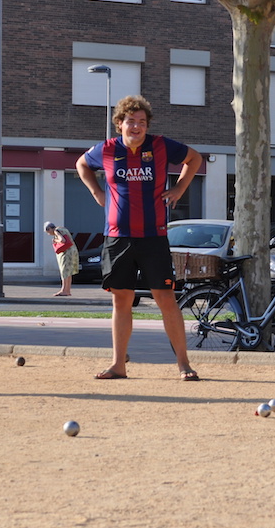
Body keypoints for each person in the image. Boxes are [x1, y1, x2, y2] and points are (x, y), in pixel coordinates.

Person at [76, 95, 203, 381]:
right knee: (121, 300)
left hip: (153, 235)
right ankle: (118, 365)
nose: (136, 127)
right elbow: (81, 164)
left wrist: (180, 189)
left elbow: (194, 158)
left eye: (142, 122)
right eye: (130, 121)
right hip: (117, 237)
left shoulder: (160, 145)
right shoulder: (106, 150)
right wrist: (98, 193)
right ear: (119, 124)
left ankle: (184, 364)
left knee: (165, 298)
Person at [44, 221, 79, 296]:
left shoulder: (56, 231)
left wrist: (55, 240)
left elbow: (62, 240)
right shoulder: (63, 229)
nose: (48, 234)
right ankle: (67, 290)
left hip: (66, 253)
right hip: (73, 251)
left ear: (50, 228)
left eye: (48, 231)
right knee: (69, 272)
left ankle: (64, 290)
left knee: (64, 271)